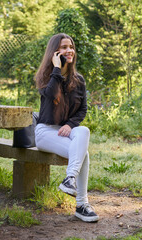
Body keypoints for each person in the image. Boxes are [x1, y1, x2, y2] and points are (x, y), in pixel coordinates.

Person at [34, 33, 98, 222]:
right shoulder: (46, 77)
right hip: (46, 131)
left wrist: (70, 125)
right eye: (63, 47)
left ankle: (69, 179)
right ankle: (81, 205)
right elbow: (52, 95)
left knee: (83, 130)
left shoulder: (78, 79)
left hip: (66, 131)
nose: (69, 50)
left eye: (71, 46)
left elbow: (83, 109)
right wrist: (56, 69)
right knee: (83, 154)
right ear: (54, 52)